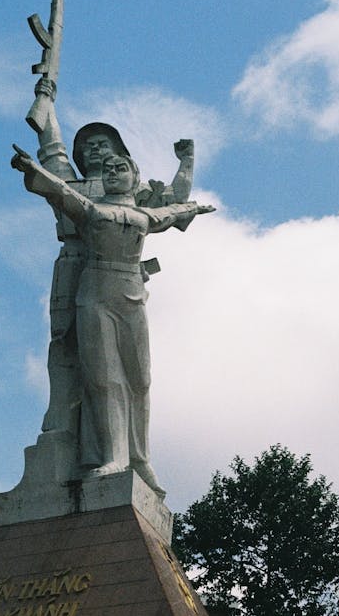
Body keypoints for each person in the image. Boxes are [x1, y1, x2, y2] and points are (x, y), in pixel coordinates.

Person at [11, 144, 215, 495]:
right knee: (103, 378)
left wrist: (195, 203)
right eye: (108, 170)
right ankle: (113, 456)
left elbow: (173, 210)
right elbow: (61, 193)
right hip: (94, 295)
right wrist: (32, 168)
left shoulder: (143, 217)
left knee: (140, 379)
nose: (112, 172)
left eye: (120, 168)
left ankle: (140, 459)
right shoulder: (91, 211)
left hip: (131, 295)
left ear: (135, 177)